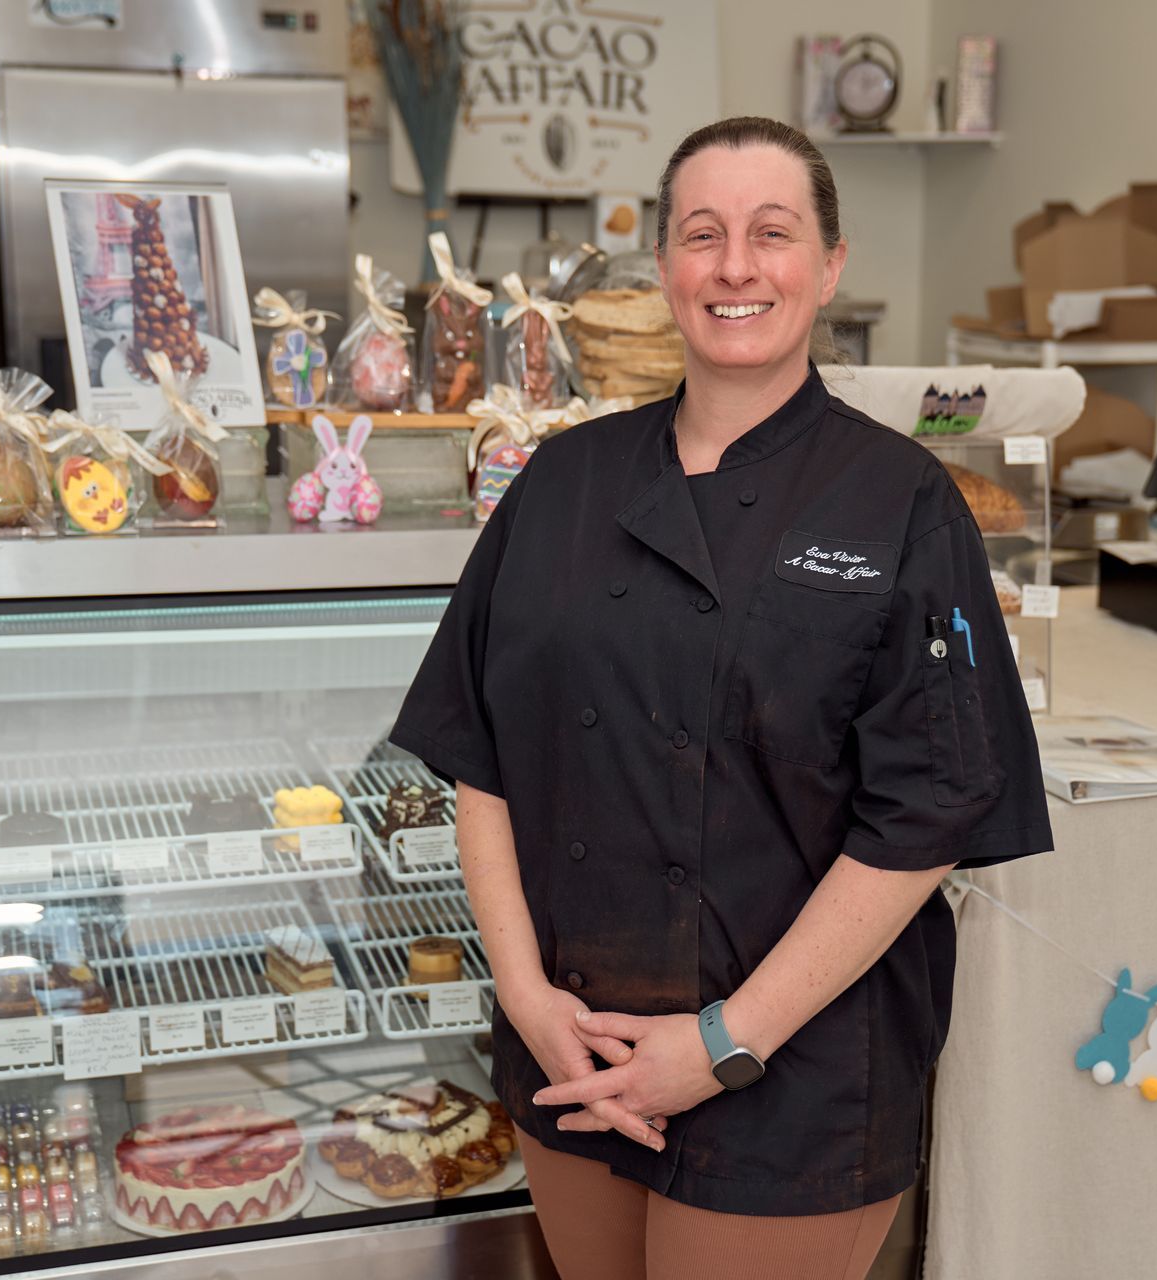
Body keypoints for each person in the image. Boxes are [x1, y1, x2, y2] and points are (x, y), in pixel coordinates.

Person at [390, 116, 1052, 1279]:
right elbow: (481, 752)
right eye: (703, 234)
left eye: (772, 233)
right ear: (665, 268)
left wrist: (719, 1045)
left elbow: (923, 821)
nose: (735, 265)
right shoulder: (563, 480)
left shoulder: (901, 501)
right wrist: (528, 996)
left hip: (792, 1074)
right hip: (578, 1052)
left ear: (831, 262)